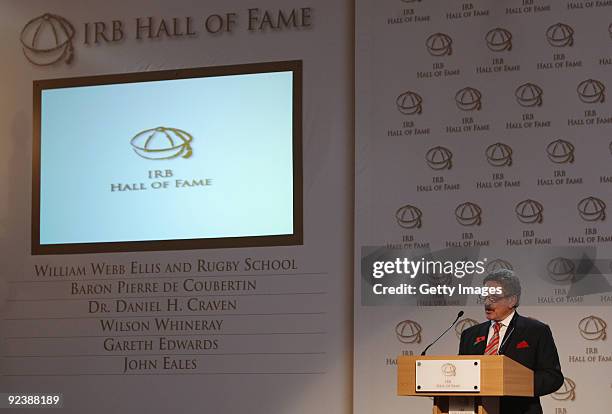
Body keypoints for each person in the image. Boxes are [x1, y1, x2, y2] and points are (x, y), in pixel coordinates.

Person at [458, 269, 564, 414]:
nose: (487, 303)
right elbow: (462, 375)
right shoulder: (470, 335)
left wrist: (516, 383)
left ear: (512, 300)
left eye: (494, 298)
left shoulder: (536, 331)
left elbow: (552, 377)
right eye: (485, 297)